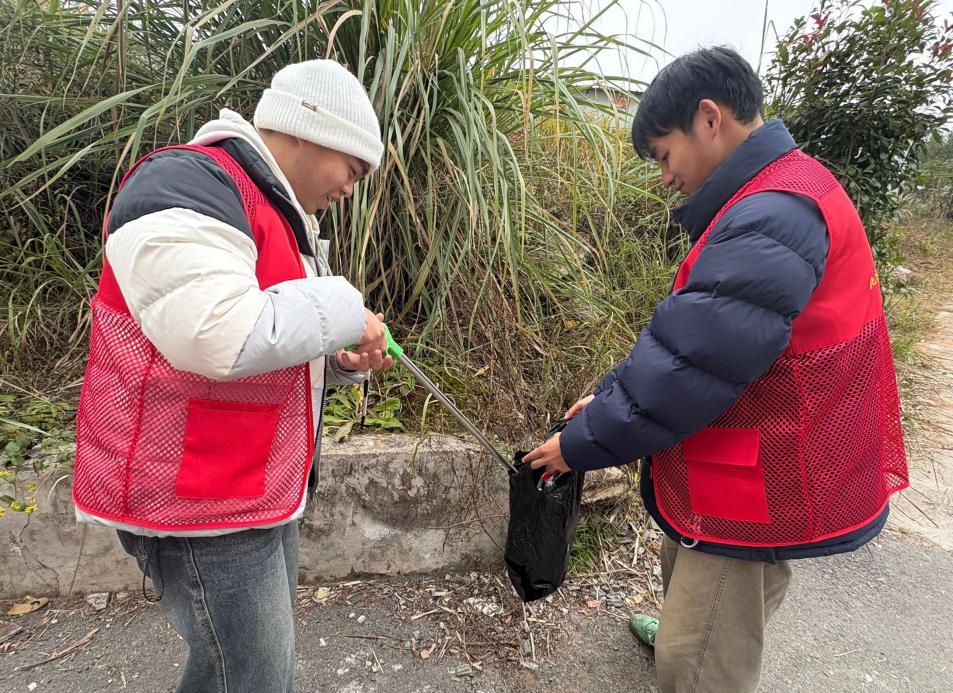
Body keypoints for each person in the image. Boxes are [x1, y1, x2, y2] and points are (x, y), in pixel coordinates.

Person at [524, 46, 909, 693]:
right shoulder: (775, 192)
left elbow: (687, 372)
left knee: (698, 656)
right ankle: (694, 631)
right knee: (701, 582)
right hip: (751, 448)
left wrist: (580, 444)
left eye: (663, 154)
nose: (664, 177)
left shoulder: (773, 214)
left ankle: (699, 654)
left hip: (759, 475)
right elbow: (688, 337)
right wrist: (610, 396)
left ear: (708, 118)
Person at [72, 59, 392, 692]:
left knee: (240, 669)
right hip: (195, 496)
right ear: (308, 129)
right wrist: (345, 307)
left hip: (248, 487)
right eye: (353, 170)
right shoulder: (185, 184)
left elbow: (267, 339)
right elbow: (217, 335)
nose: (351, 189)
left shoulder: (275, 211)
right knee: (253, 675)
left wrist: (336, 361)